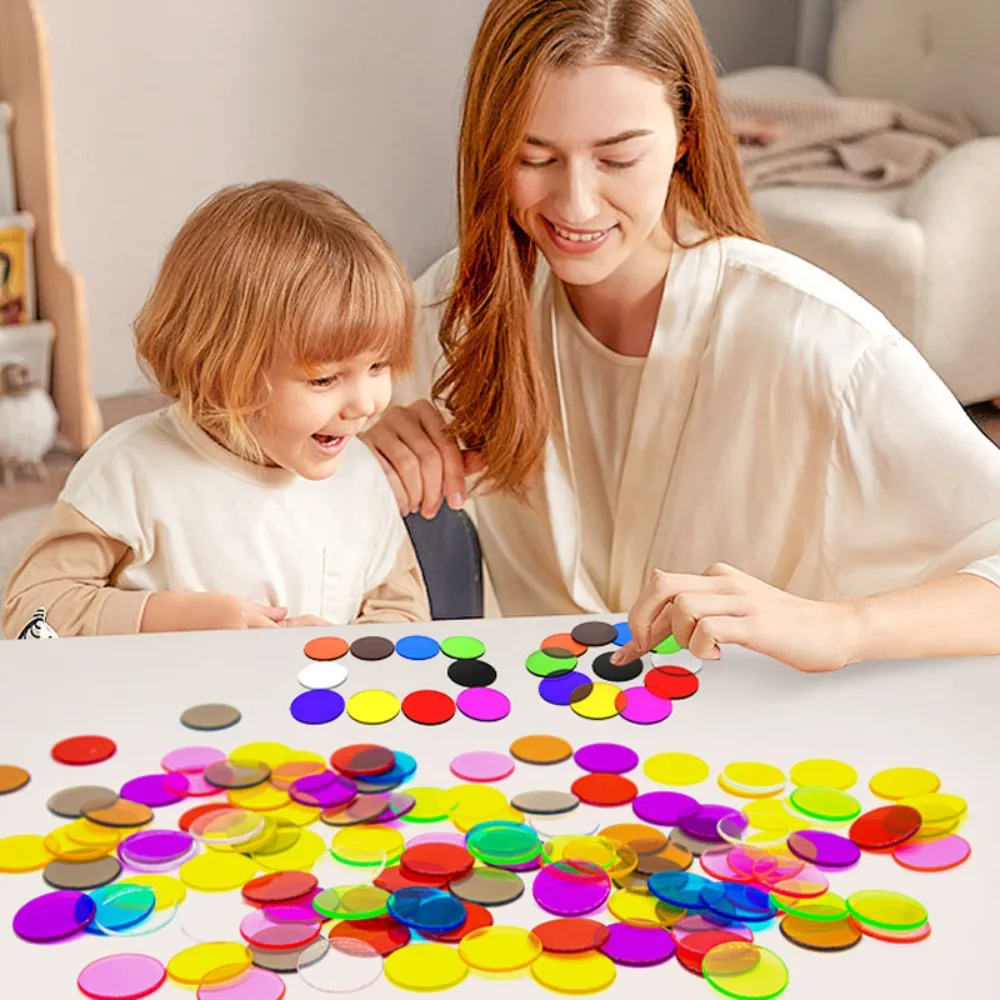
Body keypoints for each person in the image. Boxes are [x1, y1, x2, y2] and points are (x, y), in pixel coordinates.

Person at [363, 0, 1000, 672]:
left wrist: (840, 627)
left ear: (686, 134)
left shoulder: (813, 341)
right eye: (535, 156)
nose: (576, 203)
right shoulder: (454, 309)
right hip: (529, 716)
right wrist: (355, 453)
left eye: (618, 158)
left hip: (751, 725)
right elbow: (292, 472)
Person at [2, 181, 429, 637]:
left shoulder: (360, 475)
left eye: (379, 366)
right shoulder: (130, 471)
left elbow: (404, 613)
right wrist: (169, 618)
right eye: (323, 380)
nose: (365, 405)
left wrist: (344, 644)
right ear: (222, 370)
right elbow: (29, 613)